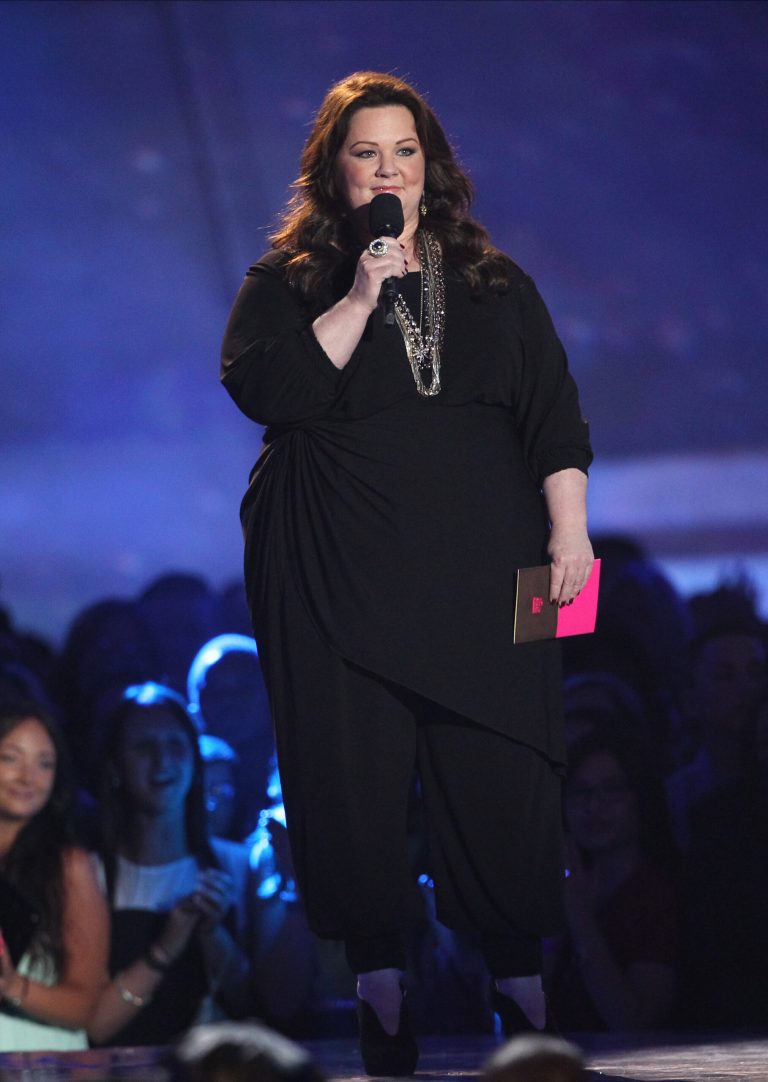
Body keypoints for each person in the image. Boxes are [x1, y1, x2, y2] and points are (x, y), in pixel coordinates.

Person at [220, 71, 594, 1073]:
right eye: (365, 152)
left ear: (432, 164)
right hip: (335, 569)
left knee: (508, 773)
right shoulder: (286, 281)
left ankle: (522, 990)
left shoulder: (495, 283)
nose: (387, 168)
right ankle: (382, 995)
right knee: (351, 782)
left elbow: (553, 414)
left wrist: (572, 532)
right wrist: (361, 291)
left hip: (488, 568)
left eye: (404, 150)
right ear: (333, 170)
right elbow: (270, 390)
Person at [87, 683, 258, 1046]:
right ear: (115, 765)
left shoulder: (239, 866)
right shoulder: (87, 874)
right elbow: (84, 1017)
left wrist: (213, 933)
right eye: (144, 747)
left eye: (176, 745)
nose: (163, 761)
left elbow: (260, 1008)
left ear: (196, 763)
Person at [545, 734, 680, 1031]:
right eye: (580, 792)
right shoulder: (561, 886)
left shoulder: (657, 894)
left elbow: (635, 1023)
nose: (595, 806)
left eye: (612, 789)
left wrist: (578, 915)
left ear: (639, 796)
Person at [0, 700, 109, 1050]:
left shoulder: (70, 866)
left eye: (44, 763)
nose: (27, 777)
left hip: (40, 1059)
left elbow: (86, 1007)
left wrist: (12, 986)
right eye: (10, 758)